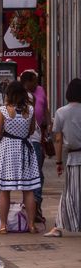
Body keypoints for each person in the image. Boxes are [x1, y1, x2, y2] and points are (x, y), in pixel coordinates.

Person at [0, 80, 43, 234]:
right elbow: (32, 130)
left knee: (4, 190)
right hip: (25, 149)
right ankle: (32, 225)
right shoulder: (31, 110)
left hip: (8, 149)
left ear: (9, 94)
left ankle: (3, 225)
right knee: (28, 190)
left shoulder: (4, 111)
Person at [48, 77, 81, 237]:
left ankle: (59, 226)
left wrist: (58, 161)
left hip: (73, 159)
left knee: (70, 193)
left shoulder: (61, 112)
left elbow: (58, 139)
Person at [22, 70, 51, 221]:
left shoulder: (40, 90)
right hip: (27, 140)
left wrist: (48, 125)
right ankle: (31, 206)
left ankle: (36, 205)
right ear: (27, 81)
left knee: (38, 173)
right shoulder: (20, 95)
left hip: (39, 136)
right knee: (33, 174)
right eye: (34, 81)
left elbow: (45, 108)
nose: (36, 84)